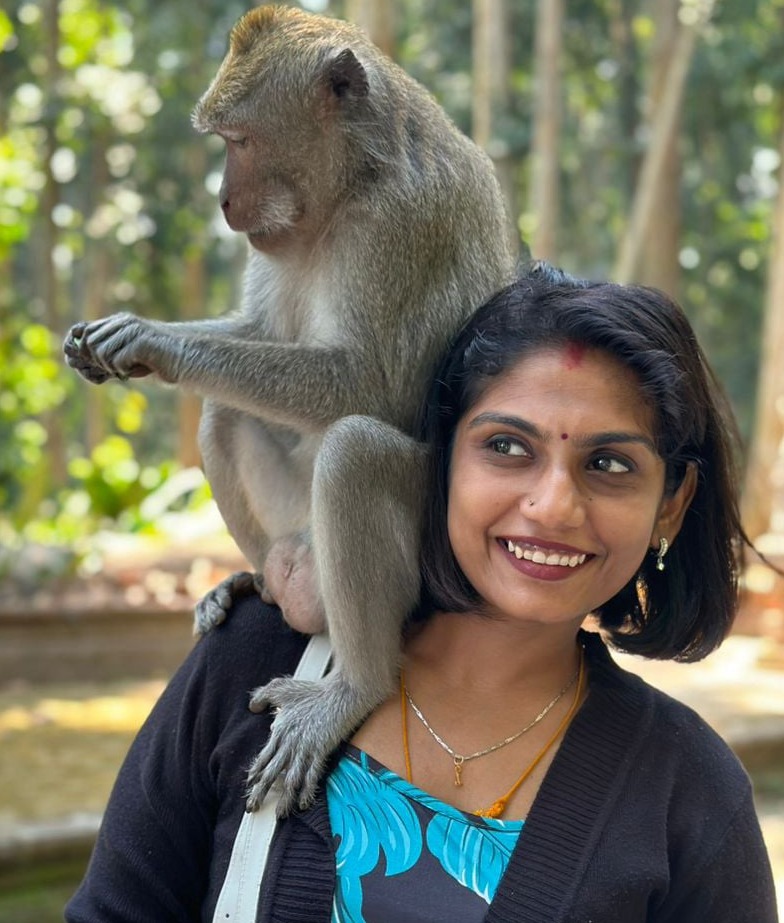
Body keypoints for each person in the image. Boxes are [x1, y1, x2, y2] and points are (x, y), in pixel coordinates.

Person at [65, 263, 778, 922]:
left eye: (610, 462)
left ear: (672, 502)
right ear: (437, 459)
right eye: (506, 446)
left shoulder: (691, 792)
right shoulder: (254, 664)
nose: (554, 504)